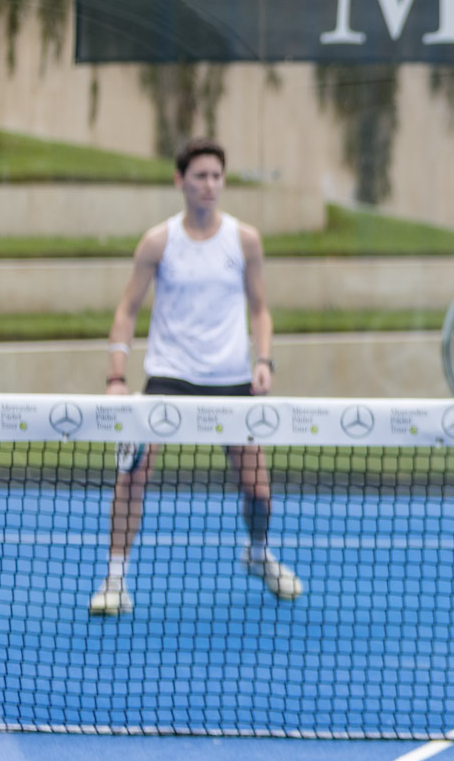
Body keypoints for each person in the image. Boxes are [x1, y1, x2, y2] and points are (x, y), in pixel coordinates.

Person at [88, 137, 304, 615]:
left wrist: (263, 361)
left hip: (230, 380)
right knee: (132, 474)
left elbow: (261, 310)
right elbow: (127, 310)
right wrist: (116, 377)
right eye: (200, 176)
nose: (209, 185)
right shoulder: (158, 242)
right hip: (169, 377)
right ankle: (115, 580)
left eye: (216, 176)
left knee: (257, 489)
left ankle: (258, 553)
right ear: (180, 181)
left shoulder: (244, 240)